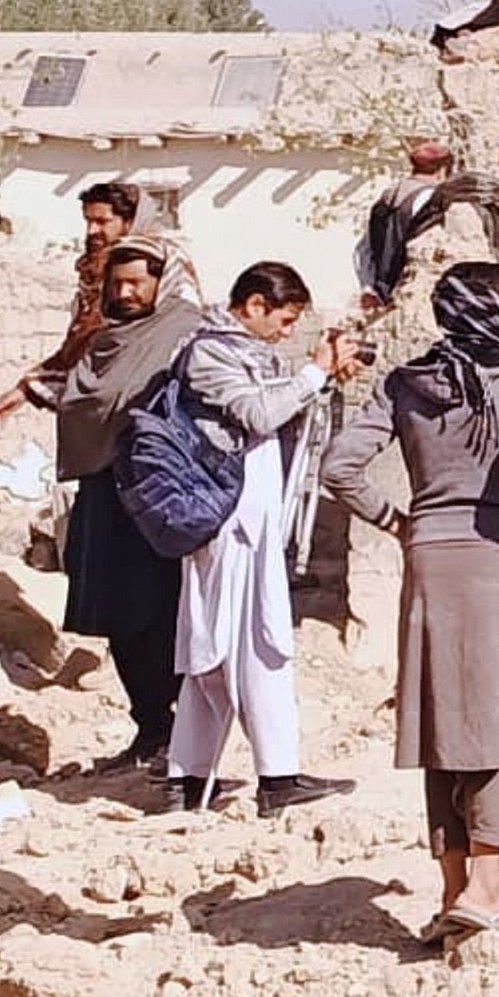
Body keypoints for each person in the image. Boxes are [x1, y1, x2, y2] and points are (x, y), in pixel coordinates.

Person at [325, 263, 499, 945]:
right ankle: (487, 890)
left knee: (444, 722)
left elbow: (338, 467)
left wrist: (399, 521)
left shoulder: (406, 383)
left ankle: (451, 890)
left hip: (429, 559)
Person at [165, 263, 362, 815]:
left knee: (223, 643)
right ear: (253, 305)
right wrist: (312, 374)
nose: (283, 331)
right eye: (282, 318)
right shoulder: (210, 351)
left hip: (248, 517)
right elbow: (258, 412)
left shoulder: (239, 351)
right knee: (253, 643)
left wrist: (318, 379)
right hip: (230, 519)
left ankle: (190, 774)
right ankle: (277, 775)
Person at [37, 245, 201, 772]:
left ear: (163, 282)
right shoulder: (105, 340)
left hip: (165, 491)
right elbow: (89, 402)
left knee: (168, 612)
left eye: (137, 283)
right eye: (119, 283)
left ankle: (184, 732)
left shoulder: (186, 333)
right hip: (107, 490)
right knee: (119, 616)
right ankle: (149, 726)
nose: (126, 293)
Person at [0, 181, 193, 424]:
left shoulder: (165, 266)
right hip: (104, 407)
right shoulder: (97, 277)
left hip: (153, 402)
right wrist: (25, 391)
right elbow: (87, 343)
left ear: (130, 222)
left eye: (102, 222)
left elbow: (175, 330)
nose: (91, 231)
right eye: (88, 221)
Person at [354, 141, 459, 318]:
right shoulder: (429, 199)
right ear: (442, 170)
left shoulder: (388, 196)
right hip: (414, 297)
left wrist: (369, 286)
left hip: (384, 295)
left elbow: (363, 250)